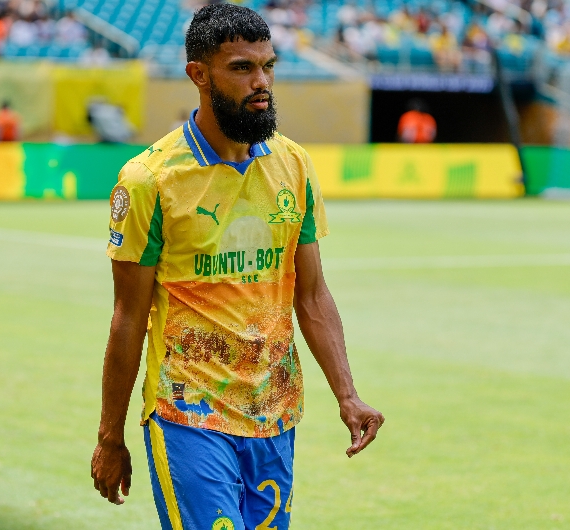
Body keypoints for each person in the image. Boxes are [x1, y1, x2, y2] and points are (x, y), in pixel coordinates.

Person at [90, 5, 384, 530]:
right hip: (188, 413)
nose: (261, 82)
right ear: (198, 75)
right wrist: (110, 436)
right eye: (242, 68)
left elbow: (312, 294)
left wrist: (347, 394)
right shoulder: (149, 180)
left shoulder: (294, 165)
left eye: (268, 66)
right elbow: (128, 317)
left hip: (275, 412)